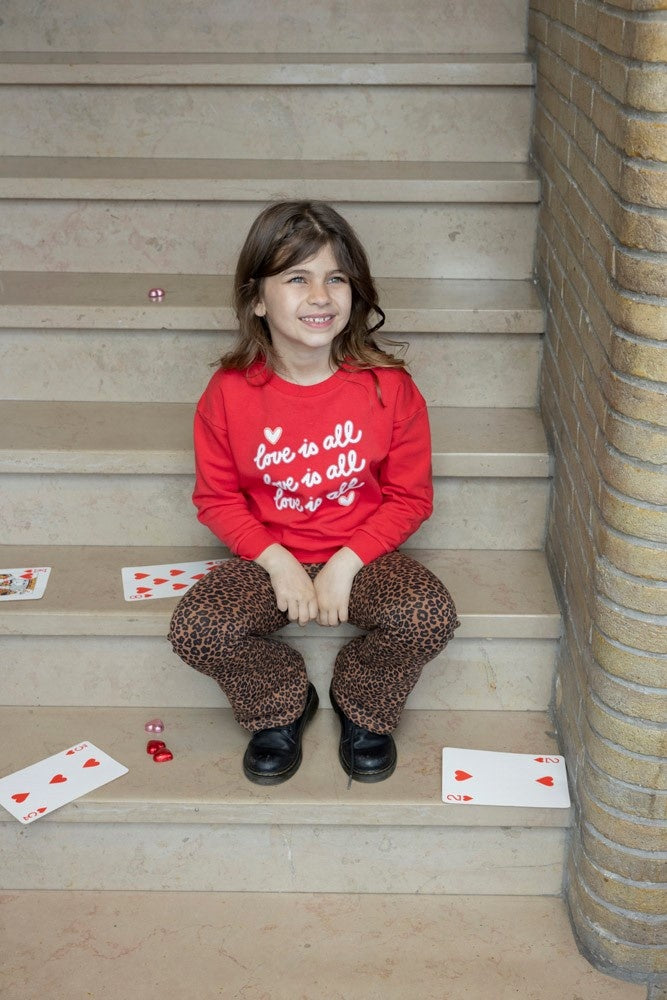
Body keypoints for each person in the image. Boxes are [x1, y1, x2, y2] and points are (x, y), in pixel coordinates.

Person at [168, 200, 459, 786]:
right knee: (197, 627)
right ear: (257, 299)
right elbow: (217, 499)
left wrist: (347, 563)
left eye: (336, 279)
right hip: (268, 558)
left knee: (430, 615)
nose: (320, 297)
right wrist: (276, 562)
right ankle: (281, 701)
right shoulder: (228, 392)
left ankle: (361, 699)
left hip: (364, 556)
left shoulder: (389, 387)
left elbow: (410, 498)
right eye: (297, 279)